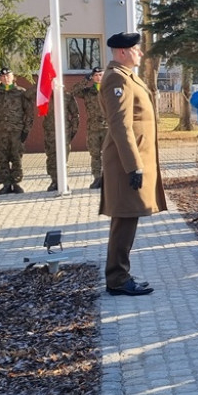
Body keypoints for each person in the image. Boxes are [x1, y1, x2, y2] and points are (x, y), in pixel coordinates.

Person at [100, 32, 166, 296]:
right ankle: (117, 278)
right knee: (124, 218)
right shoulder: (116, 77)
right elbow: (120, 123)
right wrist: (132, 166)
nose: (140, 53)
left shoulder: (126, 76)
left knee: (127, 217)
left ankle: (120, 273)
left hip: (132, 158)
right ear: (123, 52)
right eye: (137, 49)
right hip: (125, 161)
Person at [0, 67, 33, 195]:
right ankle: (6, 184)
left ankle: (16, 183)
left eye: (8, 76)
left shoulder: (21, 92)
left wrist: (26, 130)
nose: (5, 78)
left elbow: (29, 113)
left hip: (16, 131)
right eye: (2, 76)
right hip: (0, 131)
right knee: (2, 158)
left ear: (13, 77)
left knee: (16, 157)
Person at [72, 67, 108, 188]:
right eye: (96, 75)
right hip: (93, 129)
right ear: (92, 77)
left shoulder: (109, 90)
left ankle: (108, 178)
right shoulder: (87, 92)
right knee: (95, 154)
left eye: (101, 75)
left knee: (109, 154)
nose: (98, 77)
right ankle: (97, 178)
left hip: (107, 128)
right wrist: (85, 80)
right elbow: (74, 91)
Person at [42, 92, 80, 191]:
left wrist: (73, 131)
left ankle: (63, 181)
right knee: (51, 157)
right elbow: (30, 95)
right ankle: (54, 181)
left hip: (64, 132)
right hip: (50, 132)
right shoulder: (44, 95)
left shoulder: (67, 96)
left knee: (63, 157)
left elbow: (75, 114)